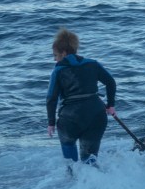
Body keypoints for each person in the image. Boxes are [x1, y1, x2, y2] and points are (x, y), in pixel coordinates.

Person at [45, 28, 117, 165]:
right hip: (96, 115)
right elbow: (111, 82)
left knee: (71, 163)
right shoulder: (93, 64)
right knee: (89, 160)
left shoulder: (58, 70)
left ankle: (73, 181)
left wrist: (51, 123)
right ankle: (97, 184)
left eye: (55, 55)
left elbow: (51, 99)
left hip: (70, 119)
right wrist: (110, 105)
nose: (54, 59)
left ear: (64, 53)